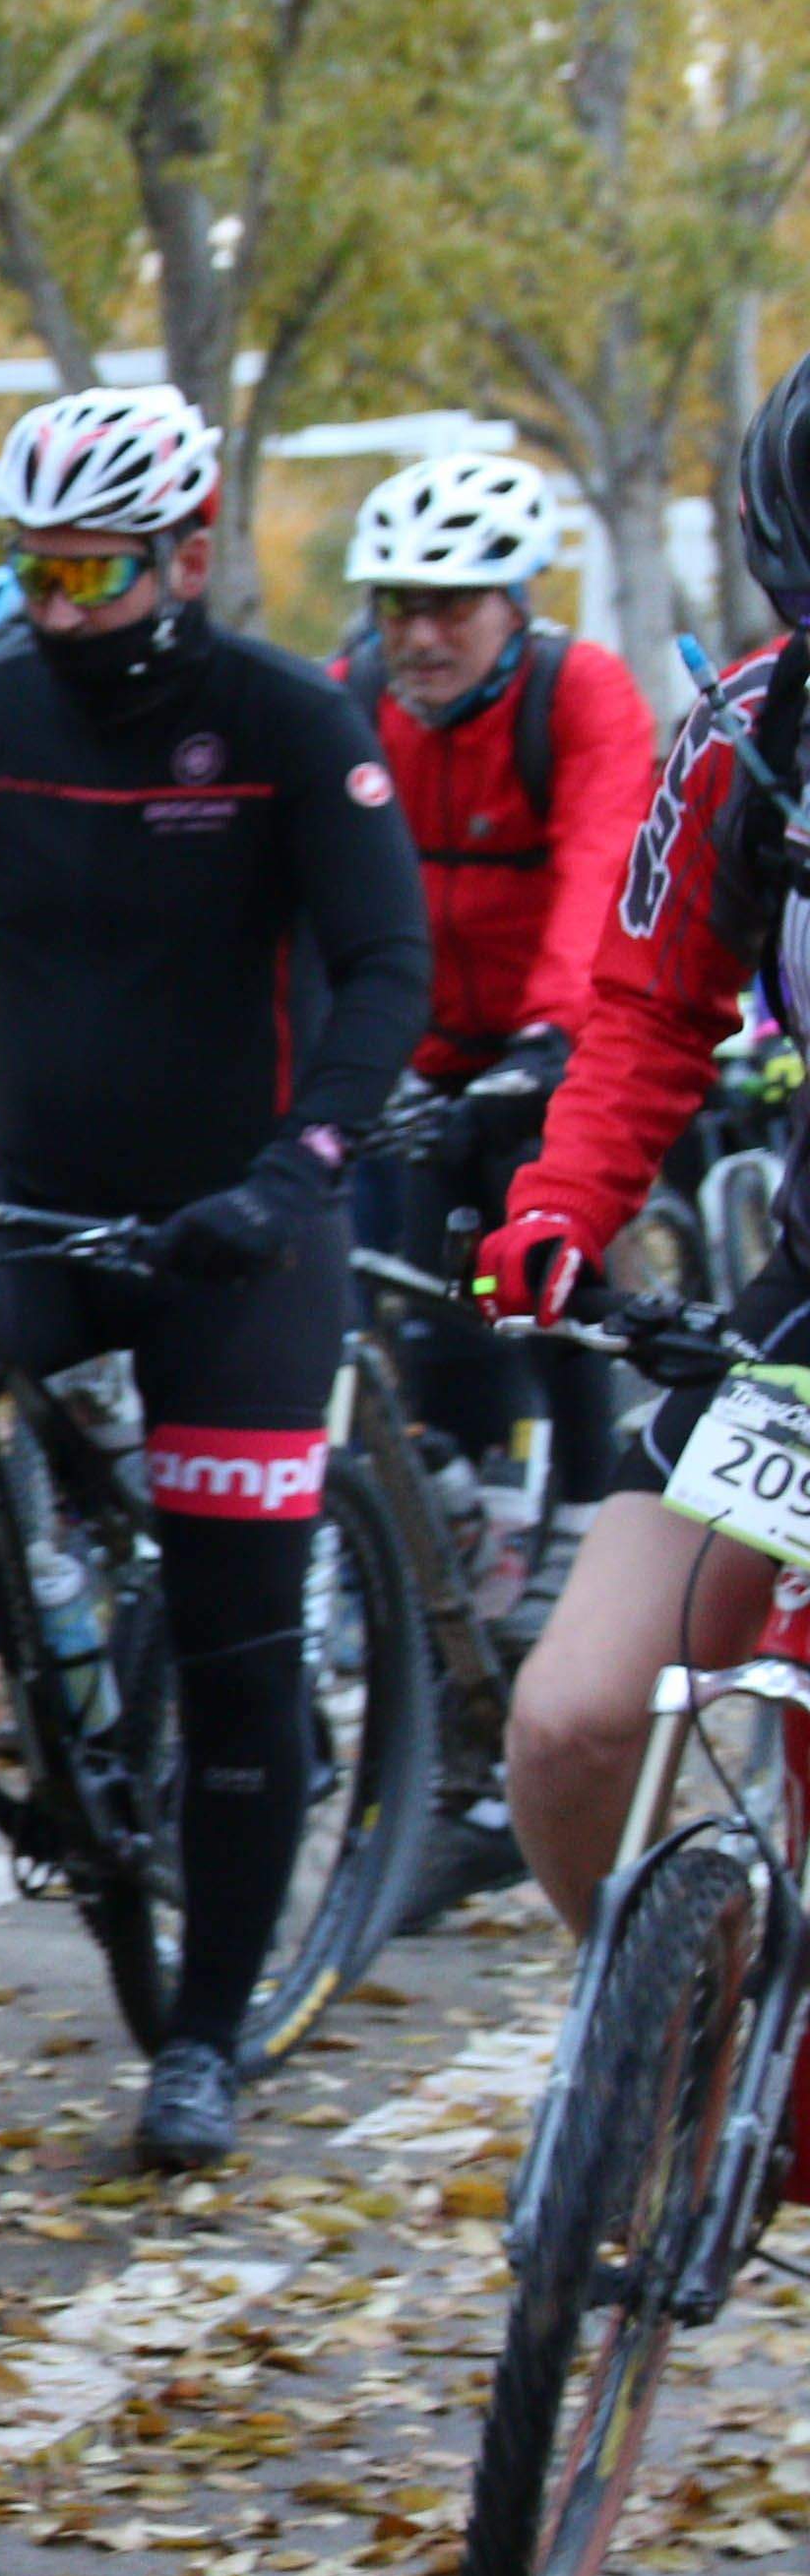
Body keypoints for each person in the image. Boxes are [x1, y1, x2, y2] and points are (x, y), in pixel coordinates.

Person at [0, 384, 434, 2170]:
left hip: (238, 1230)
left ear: (188, 552)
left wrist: (300, 1173)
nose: (55, 602)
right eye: (30, 565)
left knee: (234, 1627)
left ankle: (201, 2029)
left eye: (93, 569)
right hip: (34, 1195)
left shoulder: (286, 721)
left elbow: (379, 972)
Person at [478, 354, 810, 1927]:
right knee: (573, 1718)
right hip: (808, 1318)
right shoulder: (755, 733)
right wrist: (562, 1207)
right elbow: (654, 1014)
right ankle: (654, 2097)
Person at [339, 454, 654, 1691]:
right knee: (426, 1299)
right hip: (420, 1042)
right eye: (397, 605)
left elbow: (599, 864)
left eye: (450, 606)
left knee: (544, 1277)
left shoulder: (580, 694)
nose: (419, 634)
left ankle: (582, 1514)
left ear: (515, 603)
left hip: (560, 1031)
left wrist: (545, 1040)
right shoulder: (353, 698)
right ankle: (465, 1516)